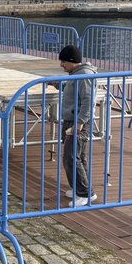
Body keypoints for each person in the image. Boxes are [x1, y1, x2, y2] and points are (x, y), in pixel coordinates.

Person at [57, 45, 97, 208]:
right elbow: (72, 90)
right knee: (78, 157)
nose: (62, 65)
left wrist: (80, 122)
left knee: (71, 158)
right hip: (72, 119)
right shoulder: (76, 75)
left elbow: (88, 100)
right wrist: (56, 84)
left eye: (64, 61)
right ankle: (81, 188)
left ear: (72, 61)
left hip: (77, 122)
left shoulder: (84, 76)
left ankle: (85, 193)